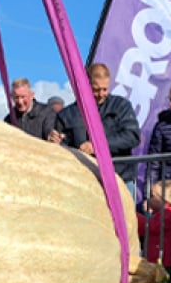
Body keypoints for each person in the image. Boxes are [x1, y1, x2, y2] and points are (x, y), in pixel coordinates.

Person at [49, 63, 141, 204]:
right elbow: (62, 149)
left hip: (120, 178)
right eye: (96, 90)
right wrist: (57, 143)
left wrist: (98, 146)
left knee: (125, 225)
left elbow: (132, 136)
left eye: (105, 89)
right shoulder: (66, 115)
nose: (101, 94)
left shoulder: (121, 106)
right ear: (85, 85)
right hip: (84, 182)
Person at [136, 179, 171, 272]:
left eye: (153, 196)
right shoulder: (162, 213)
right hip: (157, 257)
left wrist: (136, 216)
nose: (149, 199)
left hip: (164, 260)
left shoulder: (168, 214)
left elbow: (151, 227)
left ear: (165, 200)